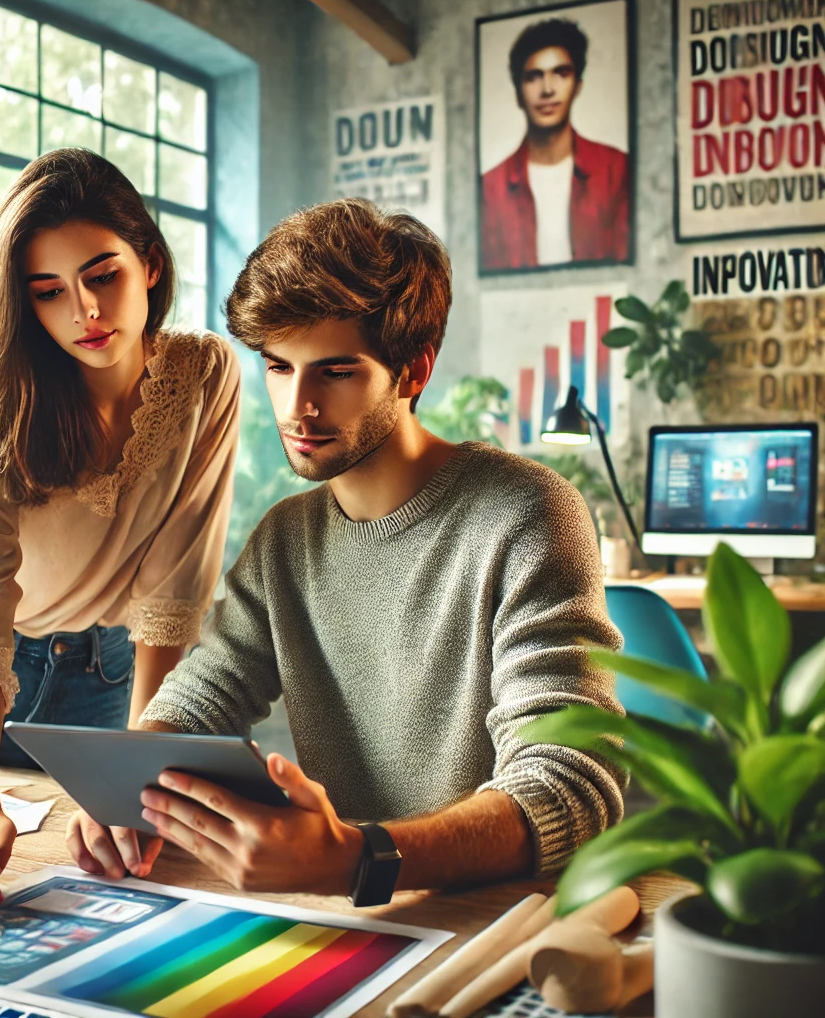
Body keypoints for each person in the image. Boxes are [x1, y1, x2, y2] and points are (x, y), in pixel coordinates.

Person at [68, 199, 625, 899]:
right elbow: (201, 694)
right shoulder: (285, 540)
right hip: (350, 919)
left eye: (335, 372)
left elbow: (571, 783)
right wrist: (130, 787)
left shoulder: (529, 514)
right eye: (277, 366)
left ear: (414, 372)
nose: (297, 406)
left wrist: (361, 858)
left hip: (506, 924)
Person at [0, 148, 240, 904]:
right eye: (48, 292)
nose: (84, 311)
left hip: (103, 668)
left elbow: (172, 595)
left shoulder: (205, 377)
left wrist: (138, 781)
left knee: (109, 883)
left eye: (102, 275)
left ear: (149, 262)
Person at [481, 17, 630, 271]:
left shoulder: (616, 170)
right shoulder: (490, 188)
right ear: (518, 92)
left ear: (578, 85)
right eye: (533, 77)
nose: (547, 89)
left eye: (561, 73)